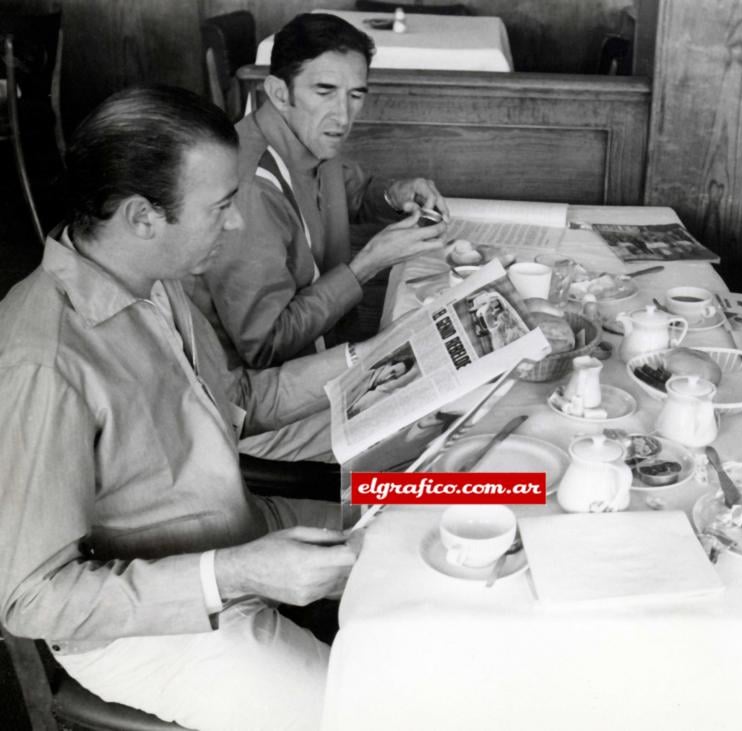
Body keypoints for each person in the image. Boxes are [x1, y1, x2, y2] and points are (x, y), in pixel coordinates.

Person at [0, 86, 395, 730]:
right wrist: (235, 573)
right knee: (370, 718)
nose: (235, 223)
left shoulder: (152, 281)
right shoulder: (43, 364)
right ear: (141, 216)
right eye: (221, 206)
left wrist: (375, 355)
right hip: (149, 632)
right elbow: (31, 599)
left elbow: (238, 399)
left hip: (241, 532)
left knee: (439, 520)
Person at [188, 12, 449, 370]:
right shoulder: (250, 188)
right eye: (324, 91)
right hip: (267, 382)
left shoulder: (308, 134)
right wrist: (366, 265)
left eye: (355, 95)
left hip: (333, 336)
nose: (343, 115)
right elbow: (265, 346)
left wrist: (394, 194)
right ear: (280, 93)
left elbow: (345, 192)